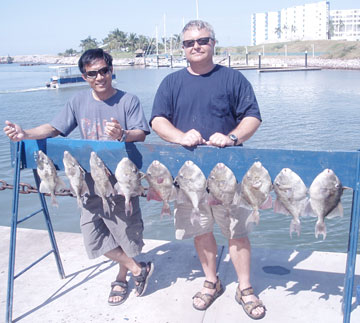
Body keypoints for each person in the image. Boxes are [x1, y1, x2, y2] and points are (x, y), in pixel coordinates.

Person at [4, 48, 153, 306]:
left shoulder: (128, 101)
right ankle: (138, 269)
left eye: (104, 71)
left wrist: (122, 133)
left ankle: (122, 276)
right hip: (87, 184)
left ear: (111, 70)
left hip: (120, 183)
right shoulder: (77, 102)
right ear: (84, 76)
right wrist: (24, 133)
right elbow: (54, 128)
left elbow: (141, 133)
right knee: (93, 239)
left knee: (125, 234)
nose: (99, 77)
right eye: (92, 73)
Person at [150, 20, 265, 319]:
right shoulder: (171, 83)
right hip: (188, 176)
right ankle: (211, 282)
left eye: (202, 40)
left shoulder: (233, 79)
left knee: (237, 232)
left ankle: (245, 288)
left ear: (214, 43)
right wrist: (180, 136)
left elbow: (252, 117)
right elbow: (157, 121)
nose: (196, 46)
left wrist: (232, 138)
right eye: (189, 43)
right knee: (200, 231)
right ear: (182, 48)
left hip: (230, 173)